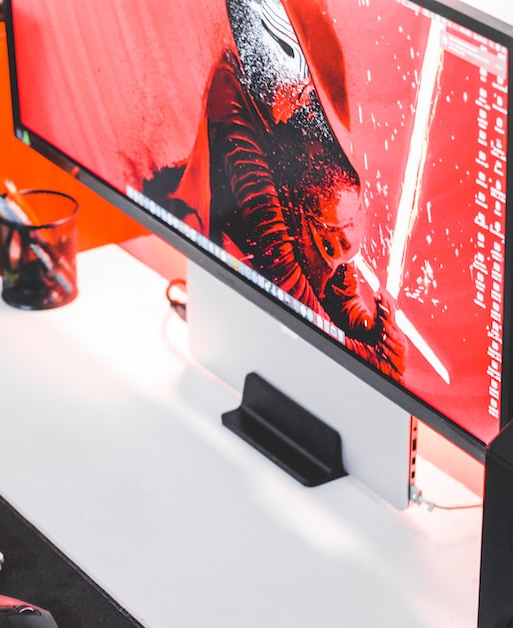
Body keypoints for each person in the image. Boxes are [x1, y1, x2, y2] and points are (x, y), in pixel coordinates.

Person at [158, 0, 407, 378]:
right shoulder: (233, 100)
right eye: (287, 49)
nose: (305, 86)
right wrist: (369, 360)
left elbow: (336, 272)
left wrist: (365, 325)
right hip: (231, 321)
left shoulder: (309, 124)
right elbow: (284, 272)